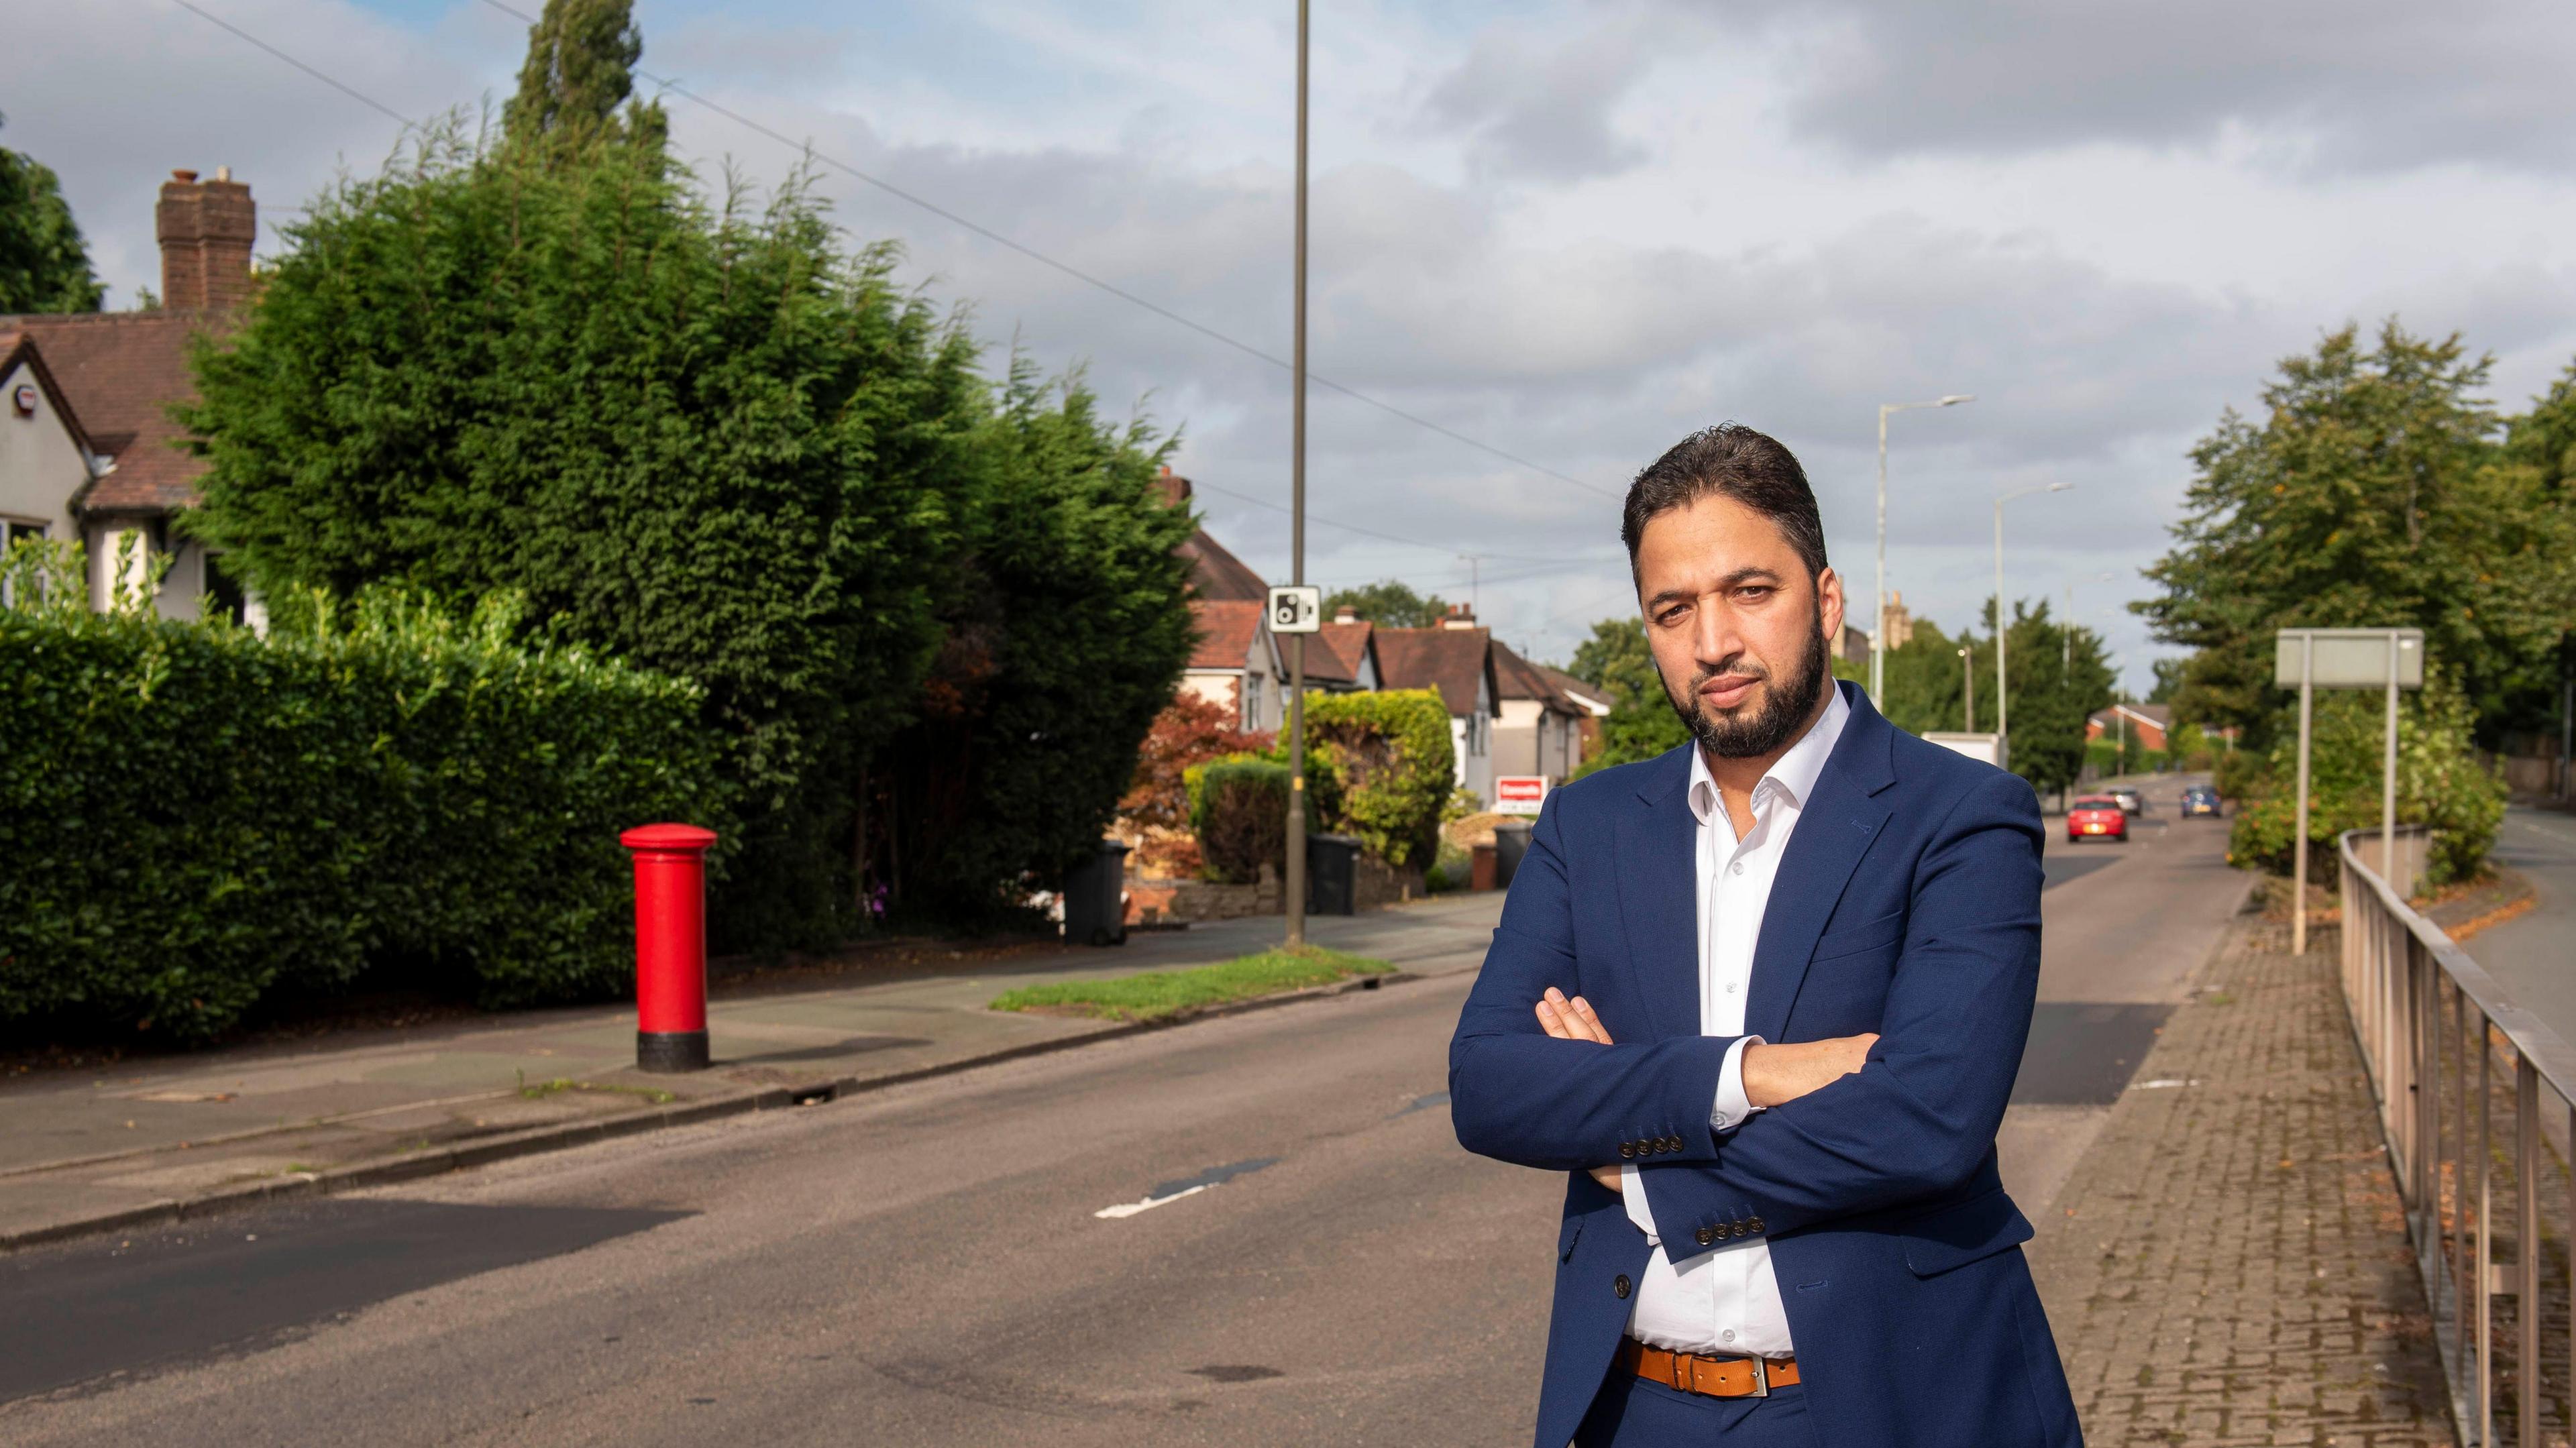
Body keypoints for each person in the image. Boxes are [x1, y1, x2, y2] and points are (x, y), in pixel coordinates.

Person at [1450, 424, 2080, 1447]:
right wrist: (1753, 1076)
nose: (1713, 642)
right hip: (1636, 1411)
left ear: (1825, 599)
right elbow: (1490, 1086)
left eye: (1751, 591)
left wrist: (1644, 1163)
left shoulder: (1961, 814)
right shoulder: (1588, 826)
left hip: (1895, 1405)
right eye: (1674, 609)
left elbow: (1927, 1118)